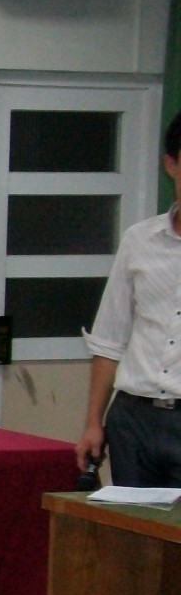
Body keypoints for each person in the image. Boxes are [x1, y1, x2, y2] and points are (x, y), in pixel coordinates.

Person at [76, 111, 181, 487]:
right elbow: (109, 339)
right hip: (133, 419)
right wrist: (93, 421)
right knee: (130, 522)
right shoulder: (139, 240)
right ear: (171, 165)